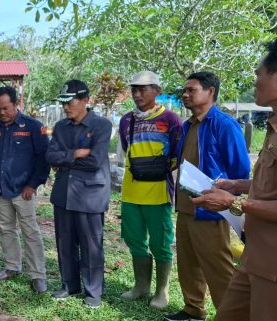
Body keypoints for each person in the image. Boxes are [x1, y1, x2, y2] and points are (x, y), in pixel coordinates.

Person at [193, 39, 277, 321]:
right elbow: (269, 188)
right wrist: (241, 186)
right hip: (254, 255)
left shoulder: (225, 124)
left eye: (259, 75)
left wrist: (236, 201)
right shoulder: (273, 125)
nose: (255, 82)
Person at [164, 72, 251, 321]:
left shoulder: (224, 124)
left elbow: (240, 170)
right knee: (188, 263)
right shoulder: (188, 125)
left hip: (211, 209)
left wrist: (225, 199)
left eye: (191, 90)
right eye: (185, 90)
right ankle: (193, 309)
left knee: (218, 267)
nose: (185, 94)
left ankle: (232, 315)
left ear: (210, 92)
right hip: (186, 206)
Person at [117, 71, 182, 309]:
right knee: (134, 239)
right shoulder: (126, 120)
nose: (137, 94)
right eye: (134, 89)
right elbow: (127, 150)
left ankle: (162, 291)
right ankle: (141, 285)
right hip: (131, 192)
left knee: (161, 242)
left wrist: (159, 168)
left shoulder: (170, 119)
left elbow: (177, 153)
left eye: (143, 89)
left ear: (157, 90)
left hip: (158, 192)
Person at [0, 86, 50, 293]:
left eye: (6, 108)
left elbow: (43, 159)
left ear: (16, 104)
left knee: (30, 232)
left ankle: (38, 275)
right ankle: (12, 267)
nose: (1, 113)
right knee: (5, 228)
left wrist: (33, 185)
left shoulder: (33, 127)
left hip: (23, 191)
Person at [46, 79, 112, 308]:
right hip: (64, 193)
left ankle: (93, 291)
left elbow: (95, 161)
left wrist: (65, 159)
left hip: (90, 195)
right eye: (63, 102)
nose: (66, 107)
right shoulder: (62, 127)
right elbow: (50, 156)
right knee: (65, 243)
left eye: (70, 101)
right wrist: (75, 154)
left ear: (86, 100)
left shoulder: (102, 125)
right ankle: (69, 285)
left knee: (91, 245)